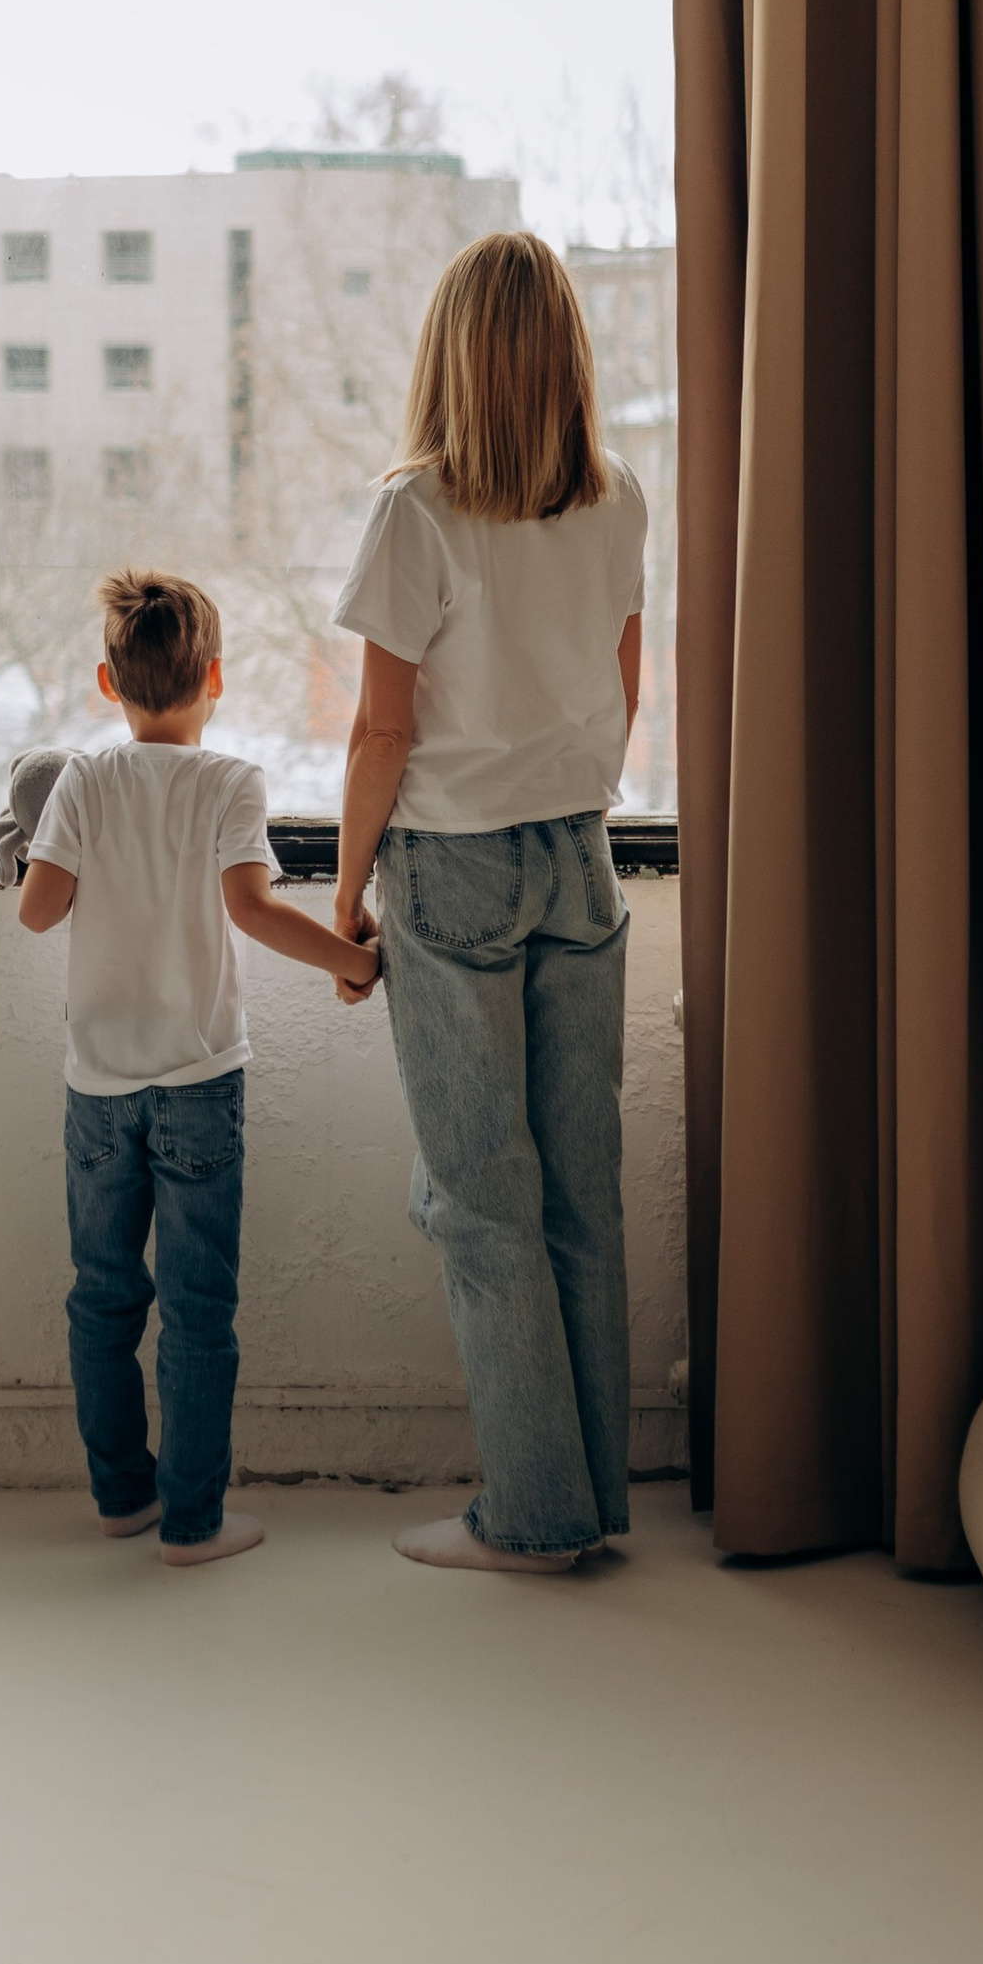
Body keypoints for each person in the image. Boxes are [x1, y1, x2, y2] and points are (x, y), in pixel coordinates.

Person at [331, 236, 648, 1576]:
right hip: (580, 852)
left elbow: (378, 734)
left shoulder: (417, 512)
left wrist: (345, 894)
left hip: (454, 866)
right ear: (567, 354)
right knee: (580, 1186)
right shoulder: (619, 496)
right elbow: (627, 685)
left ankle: (529, 1515)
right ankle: (592, 1500)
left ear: (449, 358)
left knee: (480, 1198)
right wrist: (565, 795)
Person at [18, 569, 381, 1566]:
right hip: (199, 1082)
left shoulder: (85, 780)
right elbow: (253, 910)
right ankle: (192, 1519)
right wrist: (357, 960)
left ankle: (119, 1496)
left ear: (107, 681)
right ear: (213, 675)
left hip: (97, 1084)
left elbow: (37, 910)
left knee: (100, 1293)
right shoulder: (231, 782)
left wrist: (43, 844)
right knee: (196, 1306)